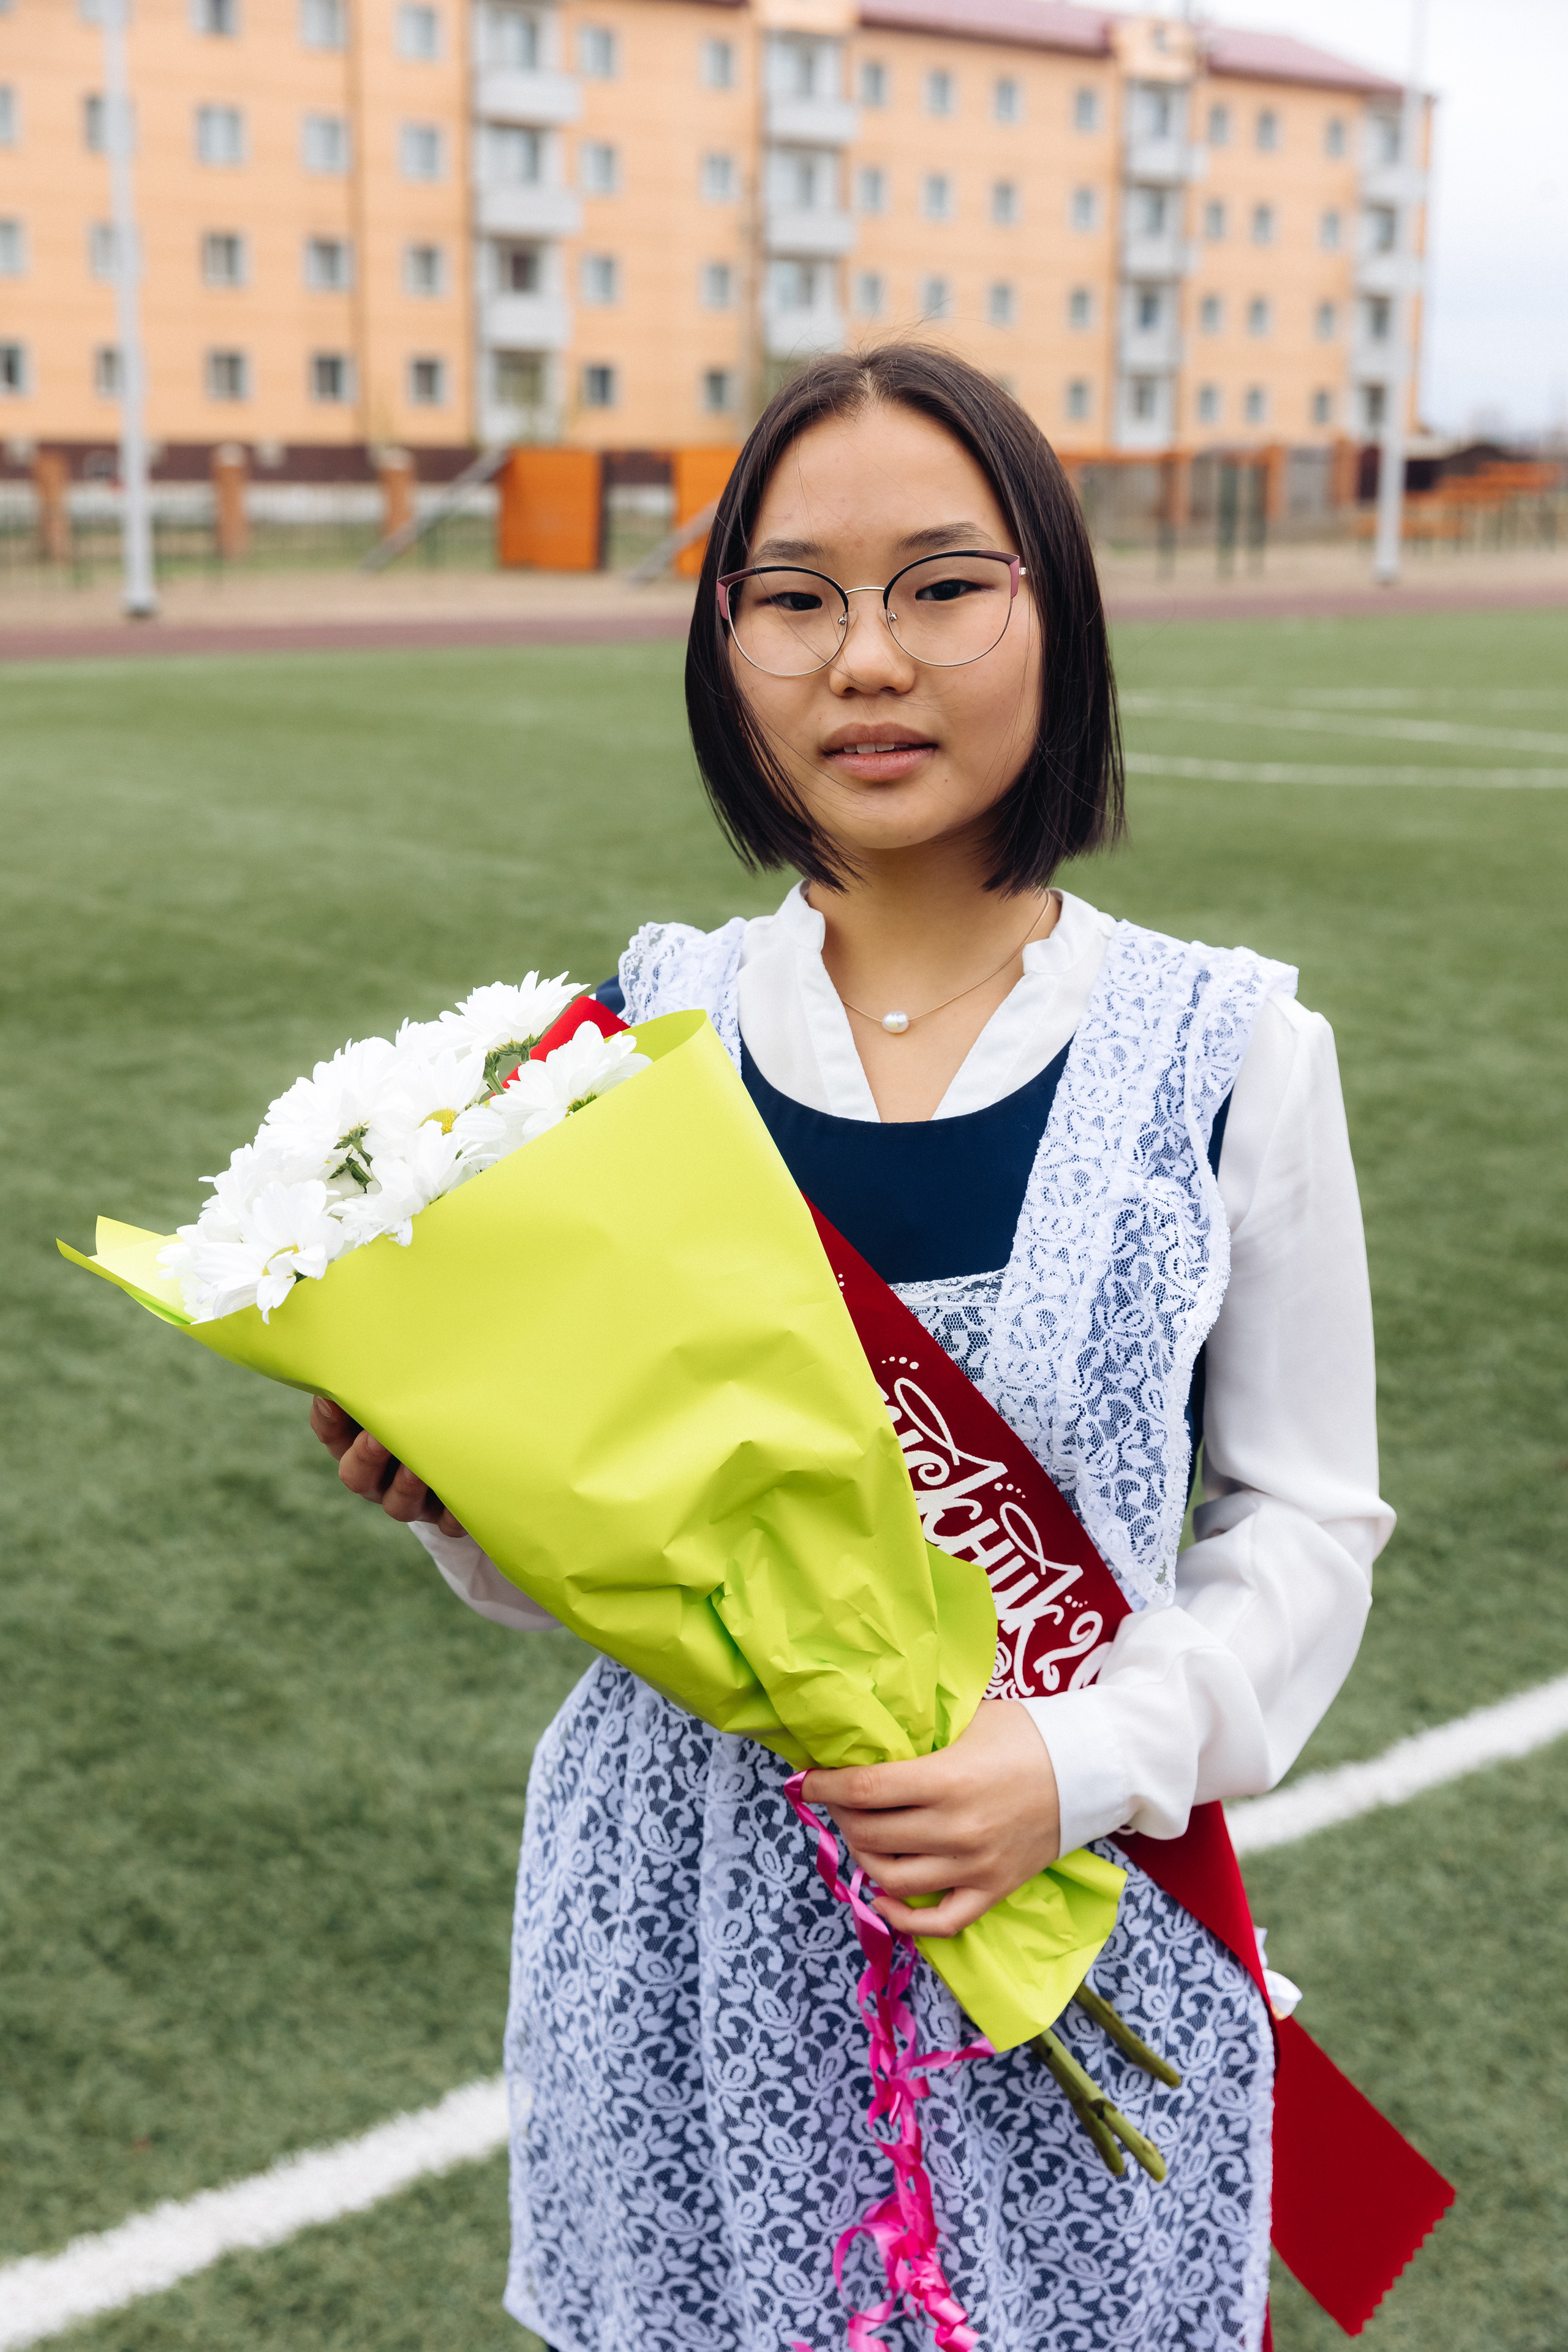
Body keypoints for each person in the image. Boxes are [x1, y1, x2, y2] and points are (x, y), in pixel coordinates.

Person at [311, 345, 1392, 2352]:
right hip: (679, 1925)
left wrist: (1076, 1761)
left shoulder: (1234, 1050)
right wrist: (456, 1494)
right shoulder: (635, 1039)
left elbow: (1313, 1519)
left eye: (942, 585)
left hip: (1057, 1911)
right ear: (727, 648)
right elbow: (610, 1542)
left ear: (1055, 613)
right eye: (793, 596)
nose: (864, 660)